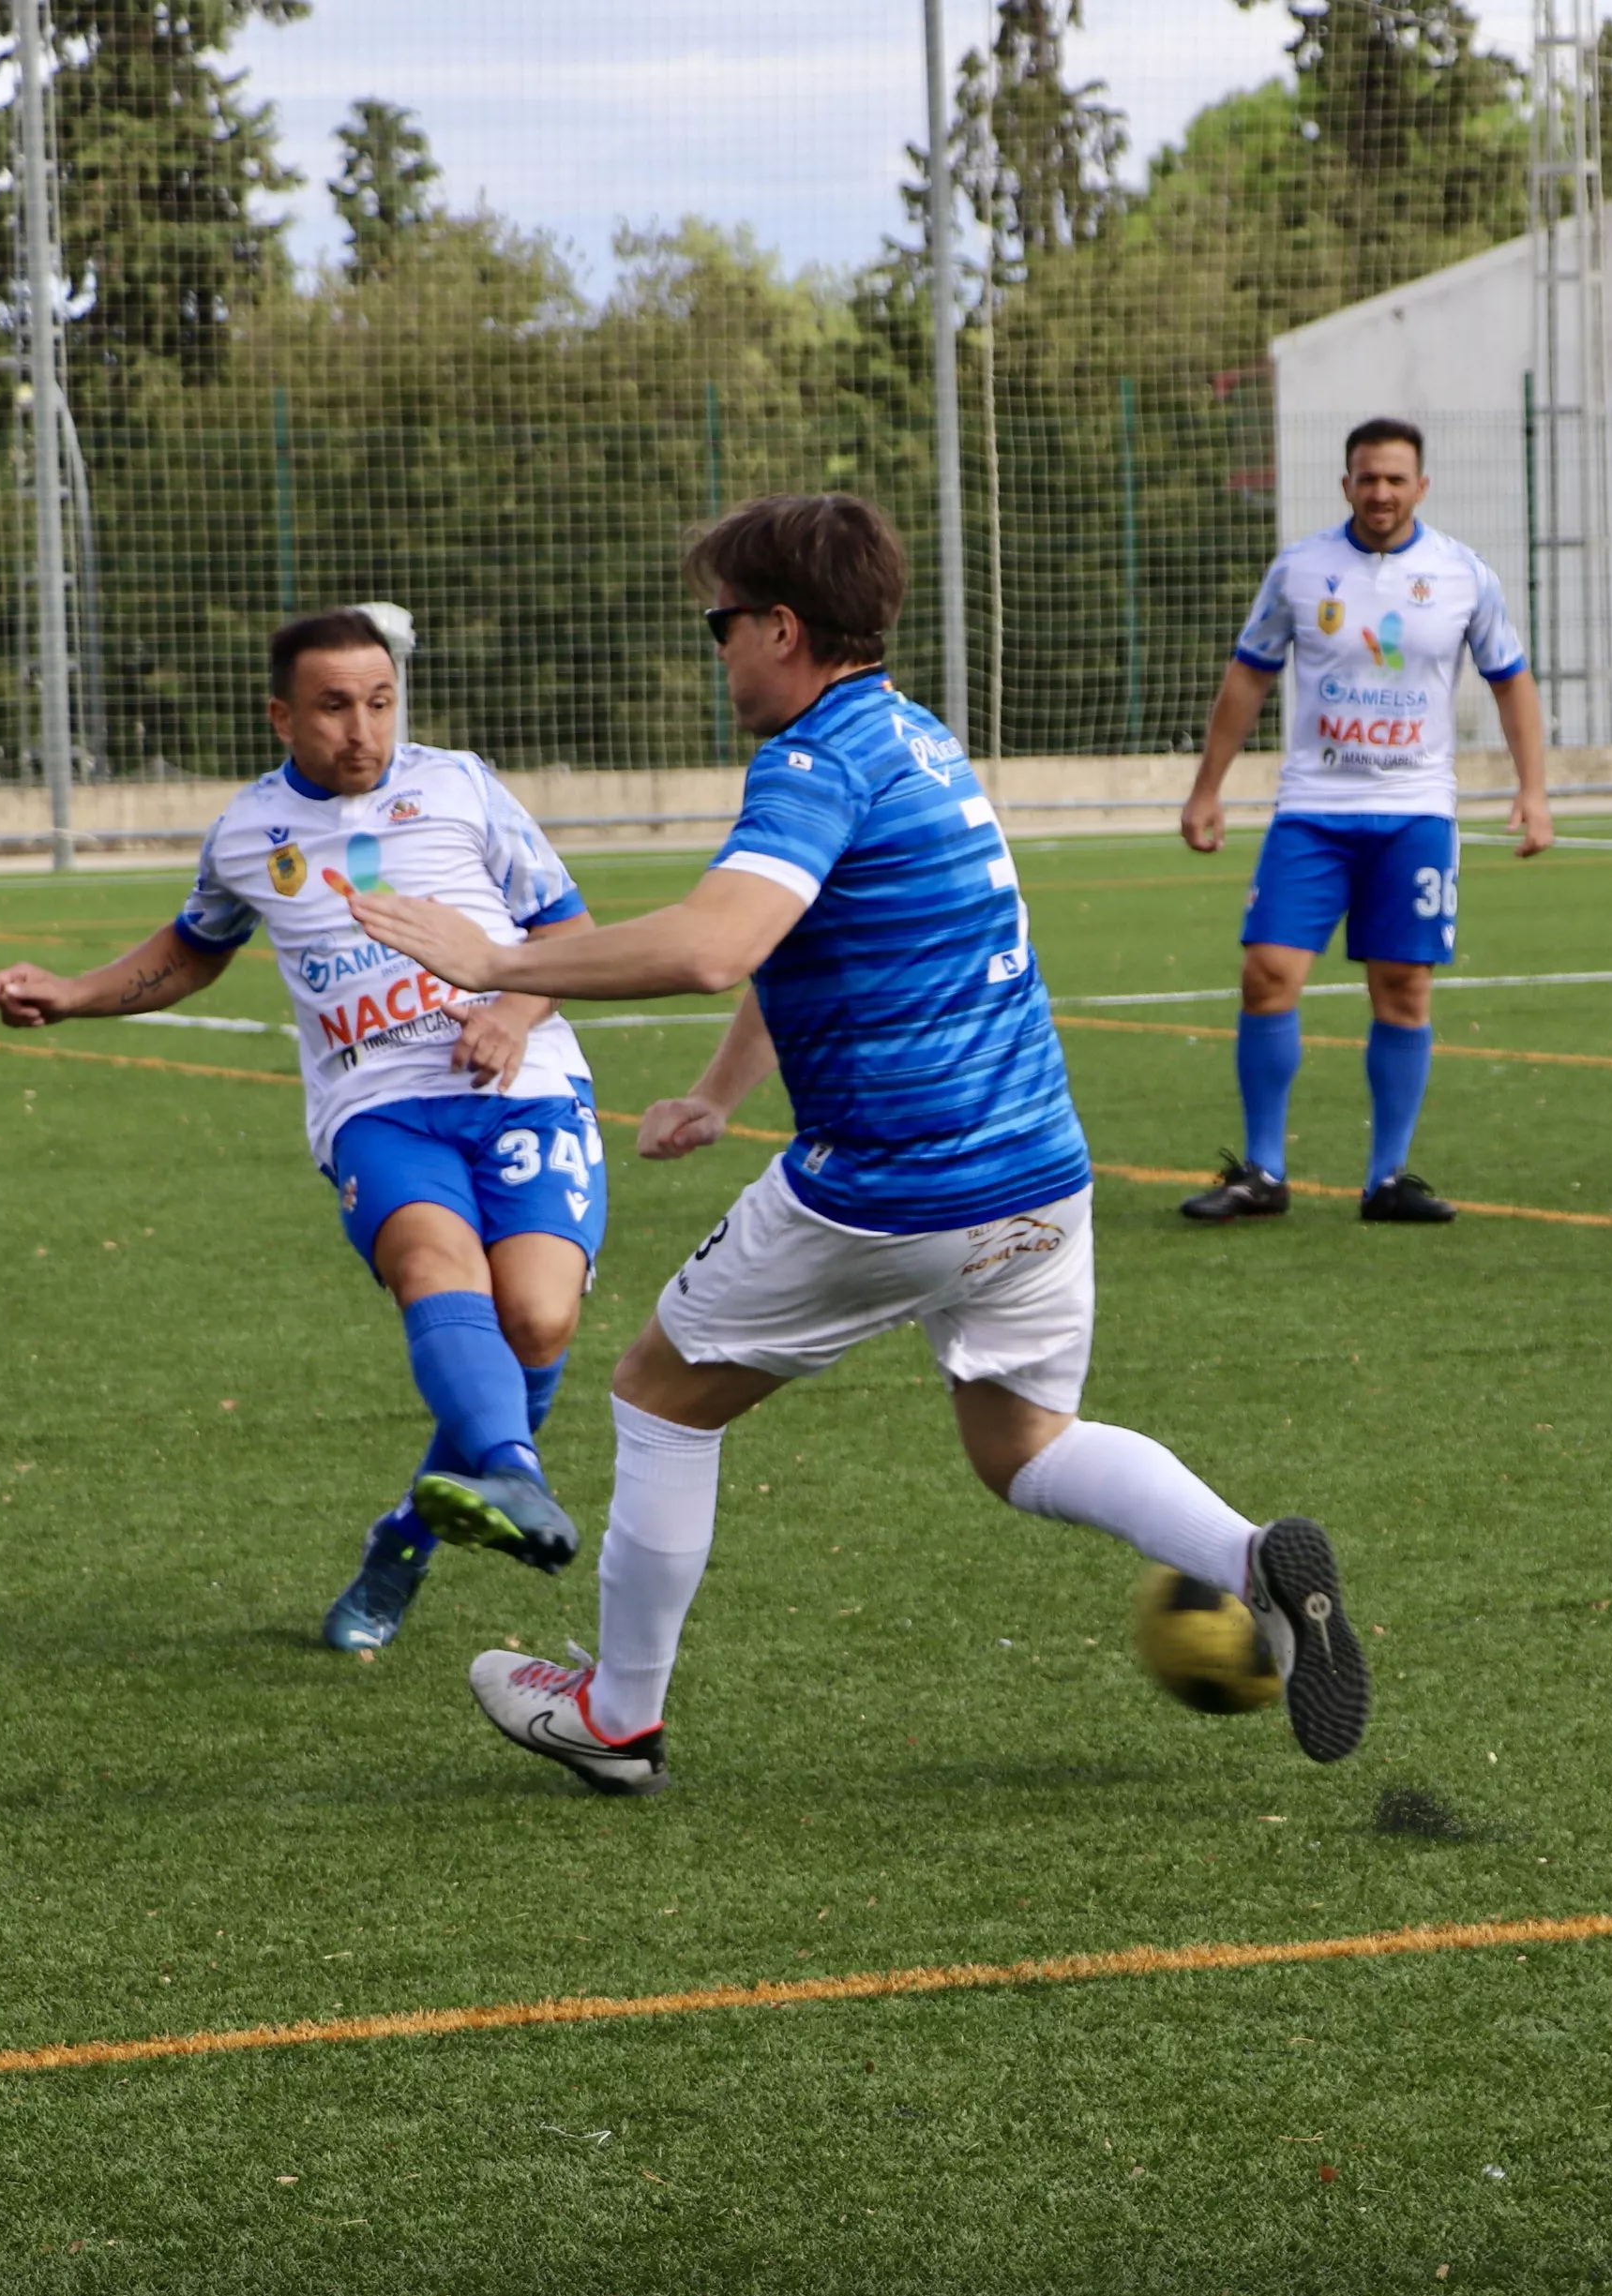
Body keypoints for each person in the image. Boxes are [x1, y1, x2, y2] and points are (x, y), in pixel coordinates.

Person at [339, 492, 1369, 1794]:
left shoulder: (815, 759)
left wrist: (497, 958)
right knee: (1026, 1447)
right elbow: (798, 942)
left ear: (781, 627)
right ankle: (1249, 1557)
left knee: (657, 1393)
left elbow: (721, 940)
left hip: (895, 1185)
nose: (715, 651)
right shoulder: (919, 739)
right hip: (1040, 1171)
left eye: (720, 625)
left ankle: (616, 1718)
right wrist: (721, 1092)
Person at [0, 608, 597, 1654]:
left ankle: (402, 1543)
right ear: (282, 715)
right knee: (433, 1268)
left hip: (525, 1088)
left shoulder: (462, 787)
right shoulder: (246, 833)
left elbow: (565, 934)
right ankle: (515, 1473)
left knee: (537, 1322)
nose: (363, 729)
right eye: (333, 706)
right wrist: (77, 992)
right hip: (377, 1106)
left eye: (380, 701)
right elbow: (194, 947)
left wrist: (509, 1012)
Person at [1172, 416, 1552, 1226]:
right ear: (1346, 485)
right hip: (1313, 811)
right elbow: (1249, 678)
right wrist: (1208, 788)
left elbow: (1510, 680)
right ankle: (1264, 1173)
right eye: (1366, 478)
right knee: (1268, 972)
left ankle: (1389, 1178)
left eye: (1395, 478)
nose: (1380, 492)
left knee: (1403, 988)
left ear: (1421, 486)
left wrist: (1534, 791)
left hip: (1415, 814)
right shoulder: (1301, 571)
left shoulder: (1463, 575)